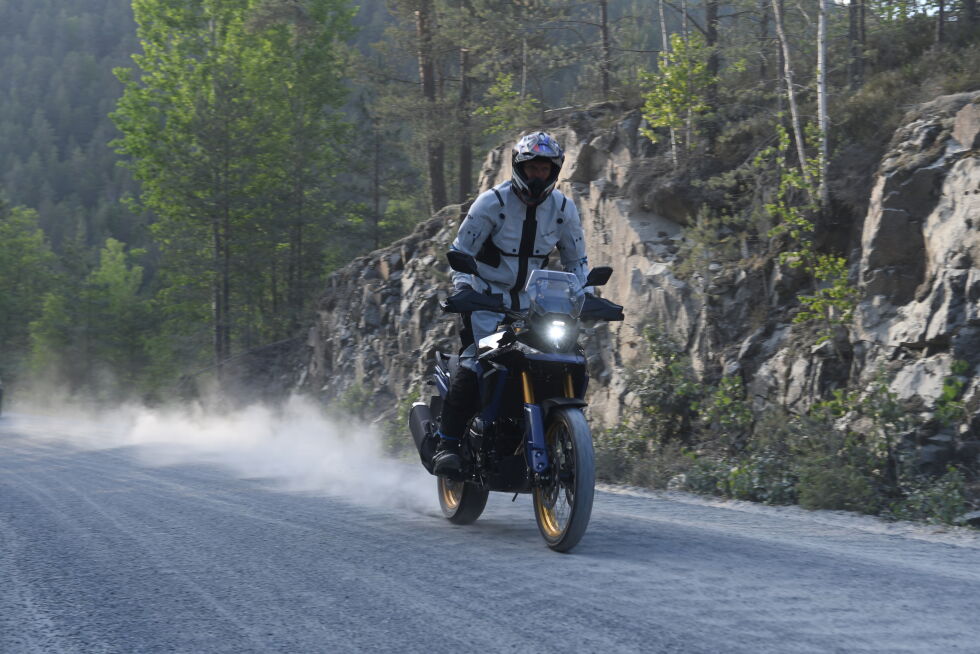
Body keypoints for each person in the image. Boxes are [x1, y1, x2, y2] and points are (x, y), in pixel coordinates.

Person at [431, 131, 591, 477]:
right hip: (487, 303)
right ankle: (447, 444)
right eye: (532, 167)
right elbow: (461, 252)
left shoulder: (563, 209)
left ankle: (554, 431)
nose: (538, 175)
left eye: (545, 169)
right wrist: (463, 289)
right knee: (477, 362)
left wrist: (585, 294)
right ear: (519, 167)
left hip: (535, 306)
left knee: (565, 359)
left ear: (555, 171)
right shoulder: (492, 203)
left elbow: (577, 261)